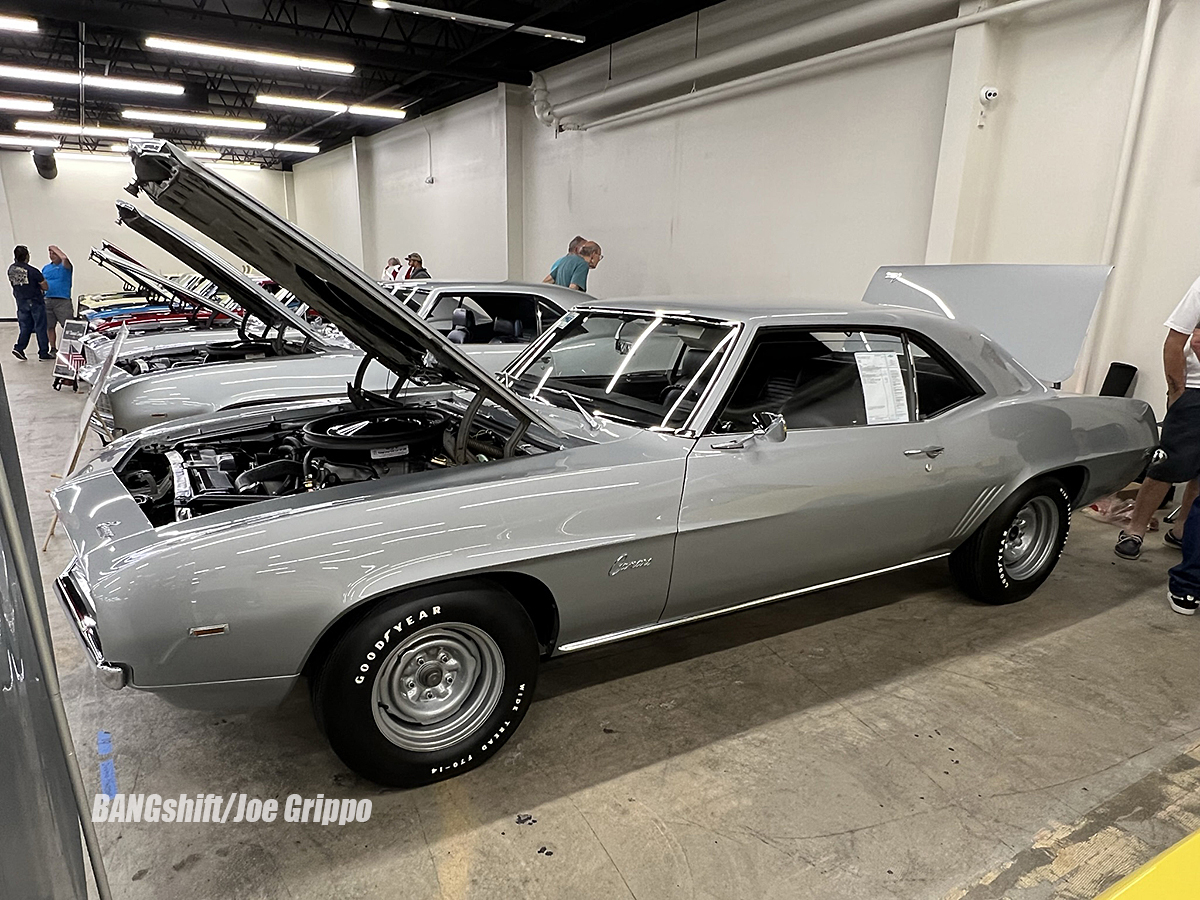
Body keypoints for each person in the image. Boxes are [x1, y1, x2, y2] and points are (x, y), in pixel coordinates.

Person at [1115, 277, 1200, 560]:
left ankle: (1182, 531)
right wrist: (1178, 393)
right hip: (1195, 393)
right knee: (1168, 463)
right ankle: (1134, 530)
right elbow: (1175, 343)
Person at [8, 244, 50, 361]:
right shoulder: (33, 271)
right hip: (35, 301)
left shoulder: (11, 269)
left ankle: (19, 347)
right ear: (26, 257)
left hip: (21, 301)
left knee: (25, 326)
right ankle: (43, 352)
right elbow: (45, 286)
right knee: (40, 326)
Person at [42, 244, 73, 354]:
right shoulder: (46, 268)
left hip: (62, 300)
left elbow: (64, 258)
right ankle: (53, 348)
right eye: (50, 253)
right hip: (47, 299)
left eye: (54, 253)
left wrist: (54, 247)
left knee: (67, 326)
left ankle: (71, 348)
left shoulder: (65, 266)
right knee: (49, 326)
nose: (52, 255)